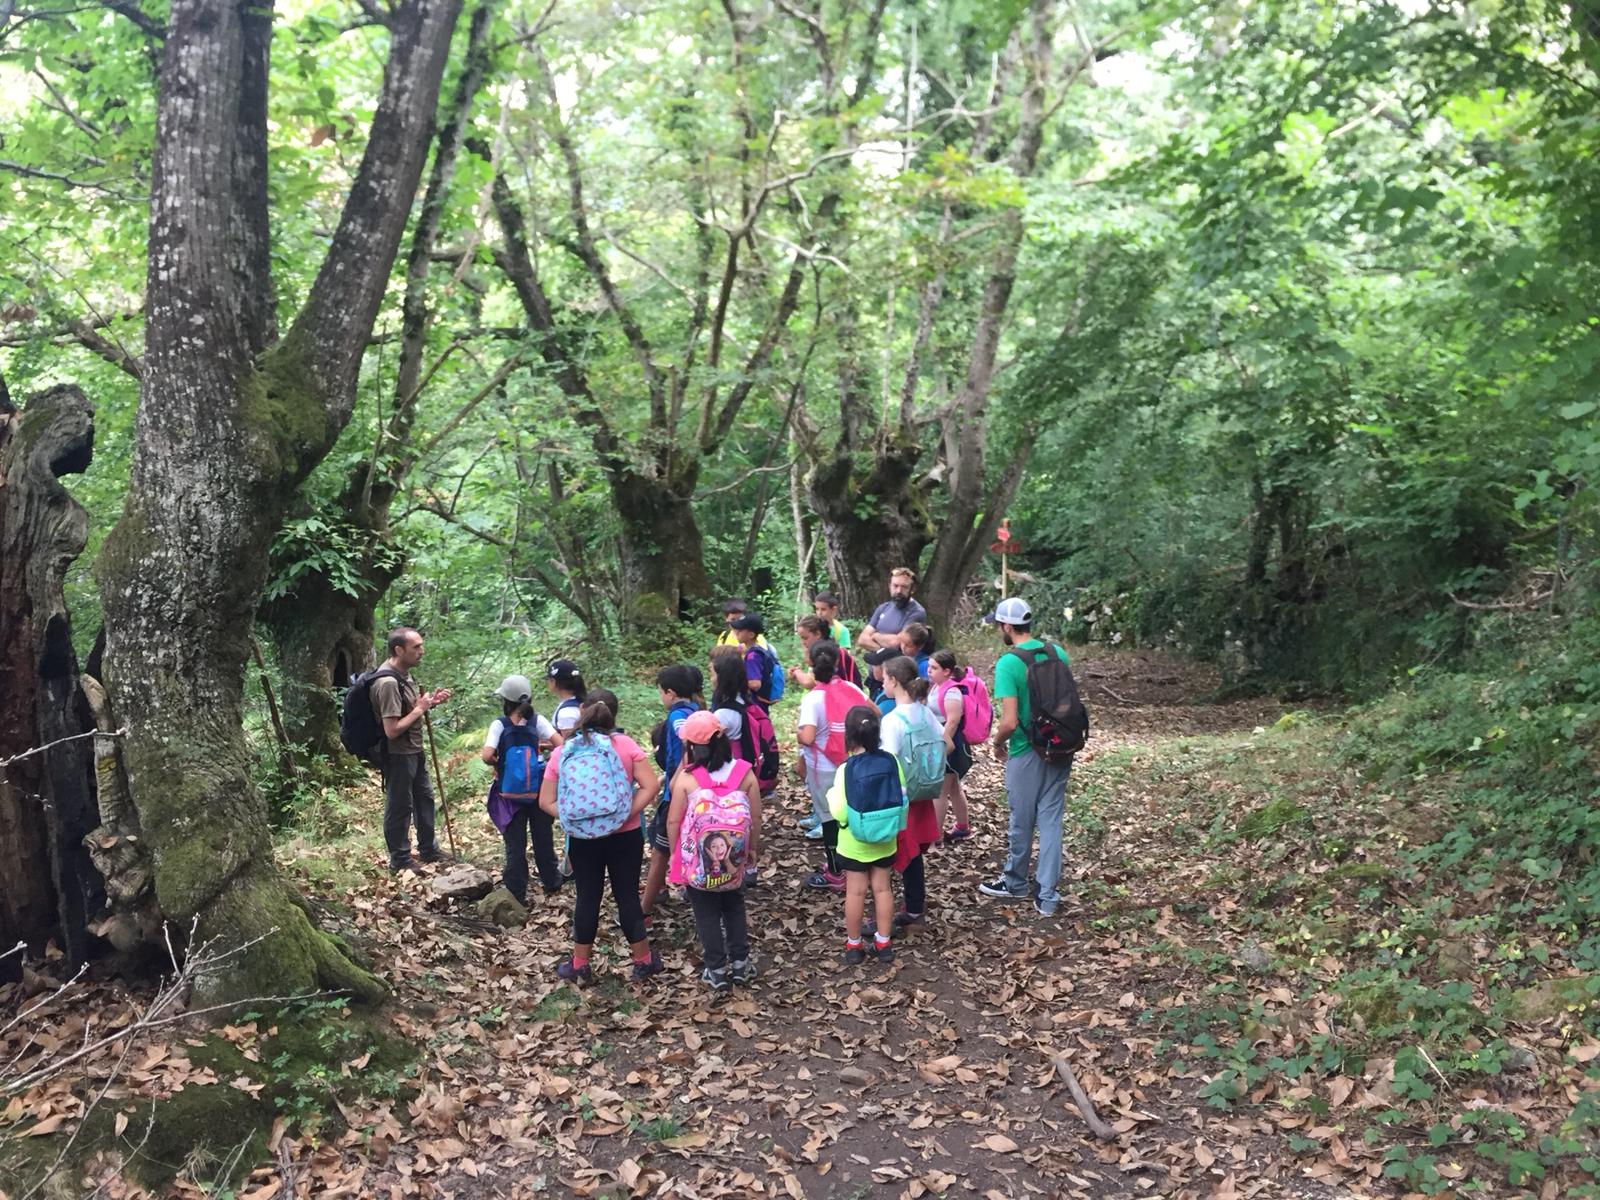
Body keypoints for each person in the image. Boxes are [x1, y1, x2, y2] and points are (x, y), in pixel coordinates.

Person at [538, 692, 663, 982]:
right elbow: (649, 787)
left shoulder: (564, 751)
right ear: (613, 715)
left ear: (582, 711)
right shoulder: (626, 745)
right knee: (627, 895)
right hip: (626, 835)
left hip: (582, 839)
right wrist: (623, 813)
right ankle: (643, 961)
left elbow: (546, 802)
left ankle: (580, 965)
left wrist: (576, 818)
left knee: (587, 896)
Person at [978, 597, 1071, 918]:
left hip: (1025, 750)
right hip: (1060, 747)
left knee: (1021, 820)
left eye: (998, 625)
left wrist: (997, 743)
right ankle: (1047, 895)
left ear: (1006, 626)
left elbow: (1009, 721)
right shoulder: (1057, 652)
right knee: (1051, 820)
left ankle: (1015, 882)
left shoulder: (1009, 663)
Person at [666, 711, 763, 991]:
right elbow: (755, 818)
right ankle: (741, 964)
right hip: (734, 859)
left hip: (697, 862)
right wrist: (752, 849)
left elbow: (673, 820)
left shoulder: (687, 778)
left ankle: (716, 969)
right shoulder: (744, 772)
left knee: (706, 913)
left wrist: (677, 855)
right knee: (734, 907)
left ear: (692, 747)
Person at [828, 706, 908, 964]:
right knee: (883, 889)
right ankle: (883, 942)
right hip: (885, 838)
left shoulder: (846, 769)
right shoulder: (891, 761)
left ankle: (854, 946)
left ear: (849, 736)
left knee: (855, 893)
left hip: (854, 843)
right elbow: (903, 795)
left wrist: (830, 796)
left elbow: (840, 812)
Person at [370, 627, 453, 872]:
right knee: (400, 805)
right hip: (397, 753)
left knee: (424, 799)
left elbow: (410, 710)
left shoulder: (404, 674)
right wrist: (419, 709)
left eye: (421, 645)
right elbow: (392, 730)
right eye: (416, 647)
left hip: (414, 750)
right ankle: (400, 859)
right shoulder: (386, 682)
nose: (421, 651)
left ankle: (428, 849)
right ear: (399, 650)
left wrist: (428, 704)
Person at [481, 675, 564, 902]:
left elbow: (487, 755)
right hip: (538, 790)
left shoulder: (500, 724)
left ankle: (516, 891)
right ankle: (552, 881)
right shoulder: (538, 721)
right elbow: (561, 746)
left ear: (506, 700)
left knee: (515, 844)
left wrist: (497, 762)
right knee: (543, 837)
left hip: (510, 794)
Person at [878, 656, 945, 929]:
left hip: (901, 797)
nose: (882, 682)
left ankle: (896, 909)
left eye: (884, 678)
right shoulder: (924, 711)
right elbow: (945, 742)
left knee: (896, 853)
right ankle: (915, 904)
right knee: (914, 851)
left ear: (893, 681)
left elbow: (888, 761)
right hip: (923, 791)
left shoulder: (892, 719)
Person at [798, 641, 871, 889]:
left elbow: (807, 737)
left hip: (824, 768)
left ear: (811, 664)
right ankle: (859, 862)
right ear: (839, 662)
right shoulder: (852, 688)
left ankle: (836, 872)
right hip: (853, 762)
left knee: (829, 818)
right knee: (851, 813)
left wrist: (798, 737)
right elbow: (874, 714)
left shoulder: (813, 699)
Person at [641, 664, 703, 921]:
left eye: (660, 692)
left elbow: (687, 744)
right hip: (700, 791)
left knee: (660, 850)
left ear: (670, 692)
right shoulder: (698, 711)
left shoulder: (678, 716)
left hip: (678, 796)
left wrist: (675, 780)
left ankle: (644, 908)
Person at [927, 650, 975, 842]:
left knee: (940, 792)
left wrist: (941, 746)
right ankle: (963, 827)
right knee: (954, 787)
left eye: (934, 668)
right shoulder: (936, 687)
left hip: (950, 746)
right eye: (929, 667)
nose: (929, 671)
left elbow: (953, 721)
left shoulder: (952, 691)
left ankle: (936, 837)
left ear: (947, 671)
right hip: (946, 743)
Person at [855, 568, 928, 691]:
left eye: (904, 587)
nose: (899, 591)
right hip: (875, 679)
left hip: (897, 679)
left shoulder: (916, 612)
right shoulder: (883, 608)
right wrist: (882, 651)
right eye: (895, 586)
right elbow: (862, 639)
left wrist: (876, 636)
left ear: (912, 589)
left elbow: (898, 642)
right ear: (889, 586)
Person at [790, 615, 861, 690]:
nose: (803, 642)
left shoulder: (826, 653)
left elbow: (812, 683)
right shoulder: (829, 649)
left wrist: (797, 672)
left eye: (805, 638)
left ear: (818, 634)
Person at [729, 613, 780, 709]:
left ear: (751, 634)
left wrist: (734, 682)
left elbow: (755, 684)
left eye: (740, 630)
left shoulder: (753, 657)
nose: (736, 632)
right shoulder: (758, 649)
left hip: (755, 706)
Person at [546, 659, 587, 734]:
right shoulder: (582, 701)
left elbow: (568, 743)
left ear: (553, 681)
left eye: (548, 680)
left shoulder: (567, 713)